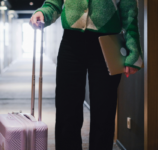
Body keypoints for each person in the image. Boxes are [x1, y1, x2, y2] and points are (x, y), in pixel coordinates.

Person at [30, 0, 143, 150]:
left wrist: (133, 52)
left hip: (107, 43)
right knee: (66, 109)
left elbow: (129, 12)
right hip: (71, 44)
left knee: (104, 111)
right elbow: (54, 4)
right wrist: (43, 12)